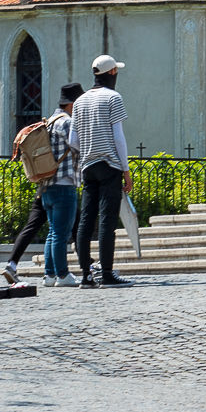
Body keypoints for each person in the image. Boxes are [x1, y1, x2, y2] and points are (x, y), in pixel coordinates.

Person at [1, 83, 82, 287]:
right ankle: (62, 275)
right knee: (61, 233)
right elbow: (79, 145)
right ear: (72, 104)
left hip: (47, 185)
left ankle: (49, 275)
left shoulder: (50, 121)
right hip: (64, 184)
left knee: (53, 232)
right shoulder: (67, 123)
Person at [72, 54, 132, 288]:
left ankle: (86, 274)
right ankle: (106, 272)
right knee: (107, 219)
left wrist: (89, 146)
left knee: (86, 219)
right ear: (113, 73)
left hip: (87, 166)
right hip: (109, 164)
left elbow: (73, 140)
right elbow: (119, 137)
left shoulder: (79, 102)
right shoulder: (113, 98)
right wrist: (126, 170)